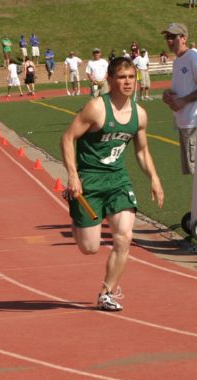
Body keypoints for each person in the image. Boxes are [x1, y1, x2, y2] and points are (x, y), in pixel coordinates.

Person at [60, 57, 164, 311]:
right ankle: (76, 211)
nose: (128, 82)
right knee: (90, 248)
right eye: (122, 77)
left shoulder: (139, 114)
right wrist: (73, 175)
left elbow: (142, 151)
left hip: (118, 181)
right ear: (110, 79)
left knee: (124, 237)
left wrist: (154, 178)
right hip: (90, 180)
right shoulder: (96, 108)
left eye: (131, 77)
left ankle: (107, 292)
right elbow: (67, 138)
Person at [161, 22, 197, 223]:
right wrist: (169, 96)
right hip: (184, 121)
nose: (169, 40)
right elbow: (182, 89)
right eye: (167, 37)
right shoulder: (178, 61)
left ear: (183, 37)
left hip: (195, 120)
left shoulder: (193, 57)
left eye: (173, 36)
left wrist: (183, 100)